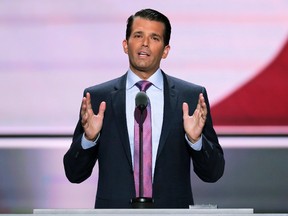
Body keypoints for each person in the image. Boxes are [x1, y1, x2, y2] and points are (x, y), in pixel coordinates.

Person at [63, 8, 225, 208]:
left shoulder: (190, 97)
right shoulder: (98, 99)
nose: (145, 43)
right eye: (138, 35)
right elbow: (74, 173)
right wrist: (89, 139)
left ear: (165, 50)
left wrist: (196, 140)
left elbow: (213, 173)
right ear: (125, 44)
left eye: (154, 38)